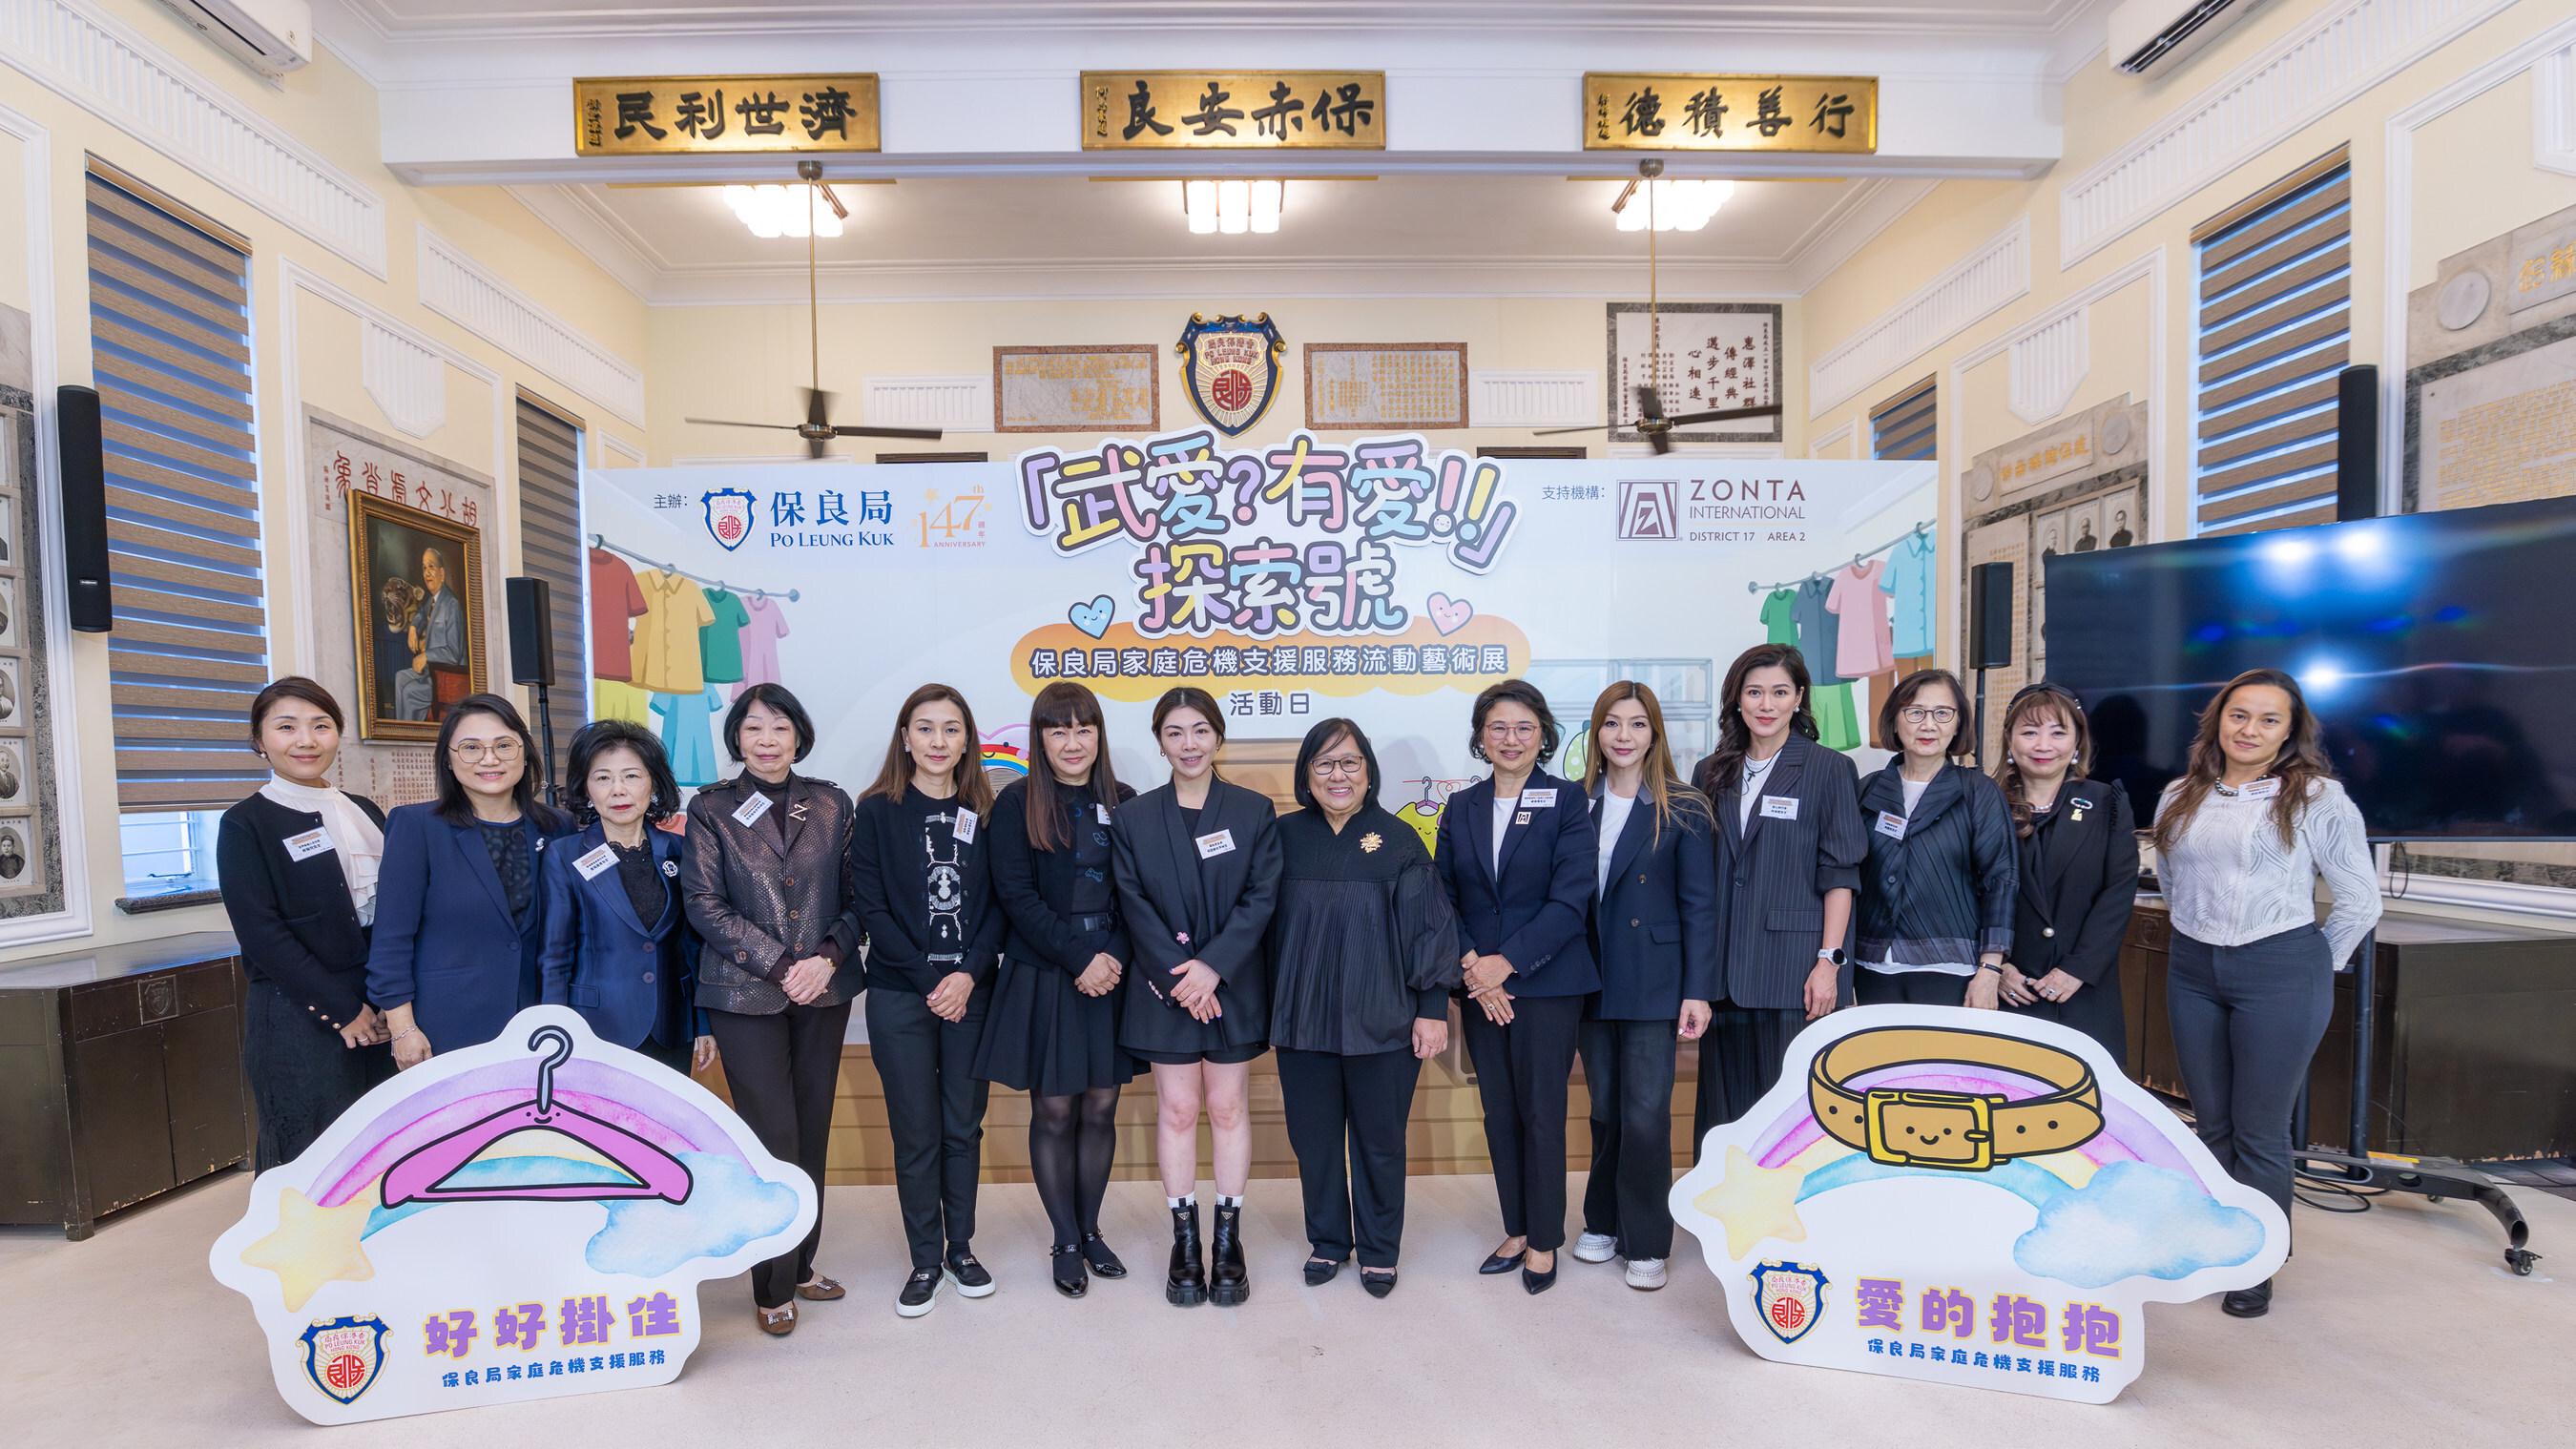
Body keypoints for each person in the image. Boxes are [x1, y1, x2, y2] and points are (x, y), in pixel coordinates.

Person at [2151, 669, 2379, 1319]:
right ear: (2218, 720)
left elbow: (2361, 900)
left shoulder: (2317, 797)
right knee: (2212, 1122)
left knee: (2260, 1129)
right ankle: (2215, 1242)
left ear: (2290, 730)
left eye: (2268, 719)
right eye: (2238, 715)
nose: (2249, 729)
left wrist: (2311, 966)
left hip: (2281, 967)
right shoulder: (2180, 794)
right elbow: (2171, 878)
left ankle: (2258, 1261)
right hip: (2193, 966)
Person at [683, 684, 862, 1336]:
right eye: (753, 727)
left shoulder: (834, 802)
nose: (766, 739)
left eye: (779, 727)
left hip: (825, 989)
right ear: (737, 738)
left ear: (799, 735)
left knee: (812, 1129)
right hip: (743, 994)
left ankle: (804, 1261)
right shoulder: (709, 808)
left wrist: (828, 958)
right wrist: (784, 964)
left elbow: (858, 894)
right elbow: (703, 902)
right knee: (771, 1137)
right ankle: (772, 1280)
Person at [1268, 718, 1460, 1299]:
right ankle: (1328, 1240)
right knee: (1315, 1139)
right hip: (1303, 1019)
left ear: (1369, 771)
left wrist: (1431, 1009)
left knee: (1379, 1140)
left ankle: (1379, 1250)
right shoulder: (1281, 837)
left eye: (1350, 763)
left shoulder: (1399, 839)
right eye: (1324, 764)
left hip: (1385, 1019)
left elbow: (1429, 930)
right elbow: (1253, 924)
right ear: (1306, 774)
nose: (1338, 775)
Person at [1111, 686, 1281, 1309]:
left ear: (1219, 737)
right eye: (1176, 732)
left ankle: (1228, 1238)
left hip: (1230, 984)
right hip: (1166, 988)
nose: (1189, 743)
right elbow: (1132, 902)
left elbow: (1261, 897)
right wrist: (1182, 977)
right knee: (1179, 1109)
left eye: (1200, 730)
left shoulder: (1253, 810)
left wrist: (1213, 968)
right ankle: (1185, 1241)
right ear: (1159, 740)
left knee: (1228, 1107)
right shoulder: (1132, 817)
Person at [974, 682, 1138, 1299]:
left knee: (1101, 1107)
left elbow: (1139, 896)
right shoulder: (1016, 802)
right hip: (1047, 974)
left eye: (1084, 729)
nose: (1073, 743)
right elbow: (1016, 897)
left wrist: (1113, 956)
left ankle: (1092, 1230)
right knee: (1055, 1109)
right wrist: (1081, 959)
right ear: (1041, 739)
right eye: (1058, 730)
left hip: (1112, 974)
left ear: (1099, 735)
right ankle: (1065, 1238)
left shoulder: (1126, 801)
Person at [1437, 678, 1598, 1295]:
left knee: (1542, 1112)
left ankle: (1546, 1236)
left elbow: (1571, 897)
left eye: (1524, 727)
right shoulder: (1463, 806)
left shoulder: (1566, 802)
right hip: (1480, 985)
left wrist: (1508, 963)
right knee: (1499, 1111)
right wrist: (1474, 966)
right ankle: (1516, 1226)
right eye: (1499, 727)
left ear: (1543, 736)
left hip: (1548, 982)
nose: (1511, 738)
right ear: (1482, 735)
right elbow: (1442, 894)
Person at [849, 684, 1006, 1319]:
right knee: (916, 1130)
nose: (938, 741)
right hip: (900, 994)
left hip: (972, 991)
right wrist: (927, 979)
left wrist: (967, 975)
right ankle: (924, 1257)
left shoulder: (988, 810)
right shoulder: (877, 811)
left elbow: (1000, 905)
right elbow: (871, 906)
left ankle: (962, 1248)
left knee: (962, 1125)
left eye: (950, 728)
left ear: (967, 738)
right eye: (925, 728)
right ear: (905, 737)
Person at [1568, 681, 1717, 1292]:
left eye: (1636, 724)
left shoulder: (1684, 806)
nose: (1622, 736)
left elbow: (1700, 907)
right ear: (1596, 733)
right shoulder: (1575, 803)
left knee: (1648, 1113)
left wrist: (1698, 989)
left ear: (1654, 734)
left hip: (1656, 981)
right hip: (1589, 979)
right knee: (1605, 1109)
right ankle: (1602, 1219)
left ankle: (1648, 1239)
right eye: (1611, 724)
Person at [1689, 644, 1866, 1149]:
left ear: (1799, 698)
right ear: (1737, 700)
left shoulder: (1828, 768)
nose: (1766, 704)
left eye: (1779, 692)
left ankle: (1788, 1221)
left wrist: (1829, 961)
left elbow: (1840, 875)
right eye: (1755, 692)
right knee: (1725, 1109)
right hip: (1724, 968)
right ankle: (1725, 1221)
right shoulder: (1711, 771)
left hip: (1796, 969)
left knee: (1790, 1109)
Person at [216, 678, 393, 1169]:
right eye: (287, 727)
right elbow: (261, 933)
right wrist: (343, 1009)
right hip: (299, 1012)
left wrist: (386, 1002)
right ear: (259, 741)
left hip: (379, 1007)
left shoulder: (364, 810)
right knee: (310, 1154)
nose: (306, 740)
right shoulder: (245, 823)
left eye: (321, 726)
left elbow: (392, 914)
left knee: (378, 1147)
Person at [367, 693, 571, 1067]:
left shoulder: (559, 827)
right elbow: (391, 939)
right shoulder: (417, 826)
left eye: (504, 746)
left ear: (524, 754)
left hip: (541, 1024)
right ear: (448, 757)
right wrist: (403, 1028)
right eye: (471, 747)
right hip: (447, 1026)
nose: (489, 759)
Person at [537, 719, 714, 1076]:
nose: (618, 790)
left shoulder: (680, 851)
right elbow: (555, 955)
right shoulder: (563, 855)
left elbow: (695, 948)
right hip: (593, 1028)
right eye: (603, 778)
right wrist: (555, 1029)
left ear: (653, 784)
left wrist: (704, 1023)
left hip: (672, 1024)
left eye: (631, 776)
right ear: (587, 789)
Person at [1992, 683, 2138, 1065]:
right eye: (2029, 731)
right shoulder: (1984, 803)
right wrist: (1996, 966)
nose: (2044, 745)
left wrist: (2077, 970)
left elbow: (2118, 891)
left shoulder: (2107, 802)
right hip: (2008, 988)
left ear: (2077, 743)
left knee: (2087, 1109)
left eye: (2058, 732)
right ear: (2009, 740)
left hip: (2083, 989)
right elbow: (1965, 891)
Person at [1853, 669, 2017, 1008]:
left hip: (1951, 972)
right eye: (1915, 712)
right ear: (1895, 721)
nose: (1929, 725)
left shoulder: (1977, 792)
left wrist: (1990, 970)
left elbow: (2000, 881)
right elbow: (1846, 879)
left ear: (1958, 724)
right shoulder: (1867, 789)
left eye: (1943, 713)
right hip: (1867, 970)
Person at [392, 548, 465, 721]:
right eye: (424, 568)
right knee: (400, 677)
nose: (427, 573)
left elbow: (454, 654)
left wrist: (426, 656)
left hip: (448, 679)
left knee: (410, 692)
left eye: (431, 567)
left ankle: (413, 737)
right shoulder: (433, 600)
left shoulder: (451, 605)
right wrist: (412, 629)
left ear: (442, 573)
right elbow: (420, 615)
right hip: (432, 673)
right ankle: (402, 730)